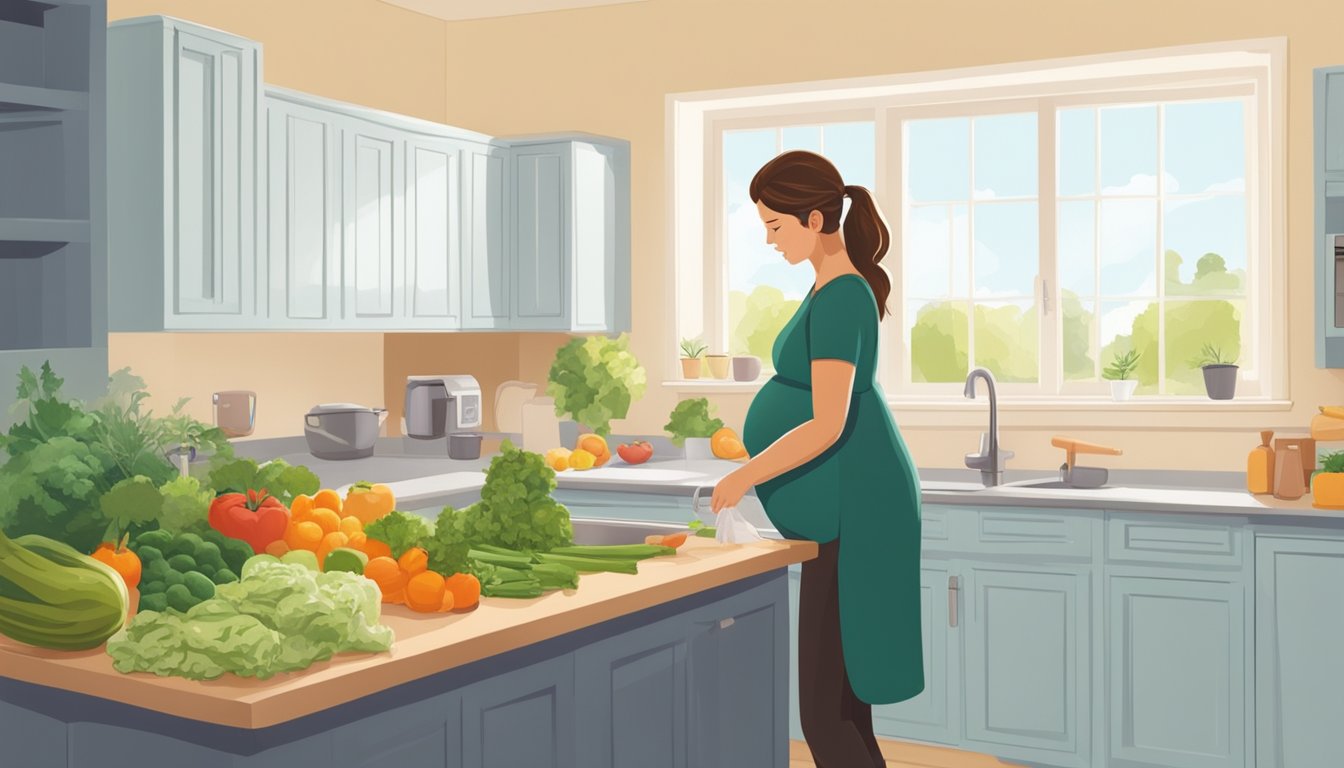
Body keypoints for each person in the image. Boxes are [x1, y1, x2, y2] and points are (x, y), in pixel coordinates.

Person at [709, 150, 924, 768]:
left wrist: (745, 474)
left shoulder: (840, 297)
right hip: (853, 502)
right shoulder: (832, 286)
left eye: (776, 226)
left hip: (857, 509)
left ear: (813, 218)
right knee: (845, 701)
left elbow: (827, 424)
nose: (770, 241)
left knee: (826, 711)